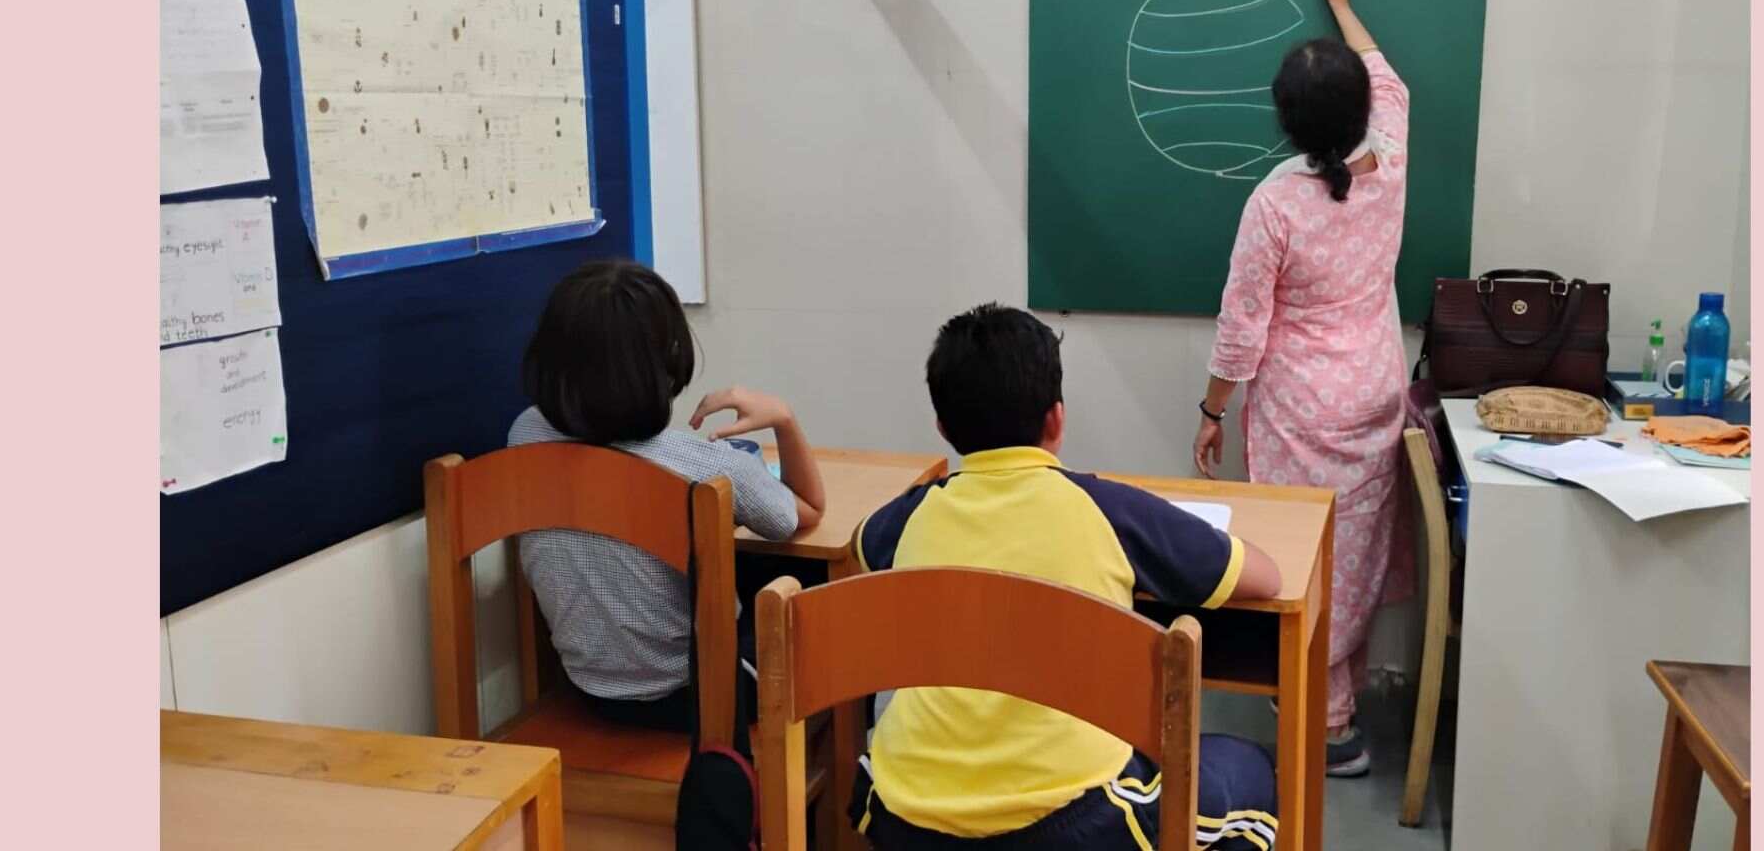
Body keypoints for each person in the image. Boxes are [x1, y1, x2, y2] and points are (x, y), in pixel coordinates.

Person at [849, 303, 1284, 849]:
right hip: (1074, 826)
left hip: (905, 816)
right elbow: (1264, 578)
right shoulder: (1107, 510)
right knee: (1250, 768)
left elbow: (859, 546)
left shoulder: (914, 514)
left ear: (943, 428)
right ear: (1057, 419)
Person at [1192, 0, 1413, 778]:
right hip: (1374, 391)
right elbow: (1392, 83)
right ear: (1359, 110)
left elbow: (1242, 331)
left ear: (1284, 123)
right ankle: (1336, 705)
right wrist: (1343, 2)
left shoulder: (1276, 203)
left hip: (1298, 407)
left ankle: (1326, 726)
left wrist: (1213, 411)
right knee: (1350, 556)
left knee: (1299, 558)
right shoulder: (1390, 163)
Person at [507, 259, 827, 739]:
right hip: (702, 696)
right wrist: (782, 418)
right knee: (819, 581)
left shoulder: (524, 435)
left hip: (588, 688)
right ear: (668, 363)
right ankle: (825, 780)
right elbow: (804, 510)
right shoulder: (707, 467)